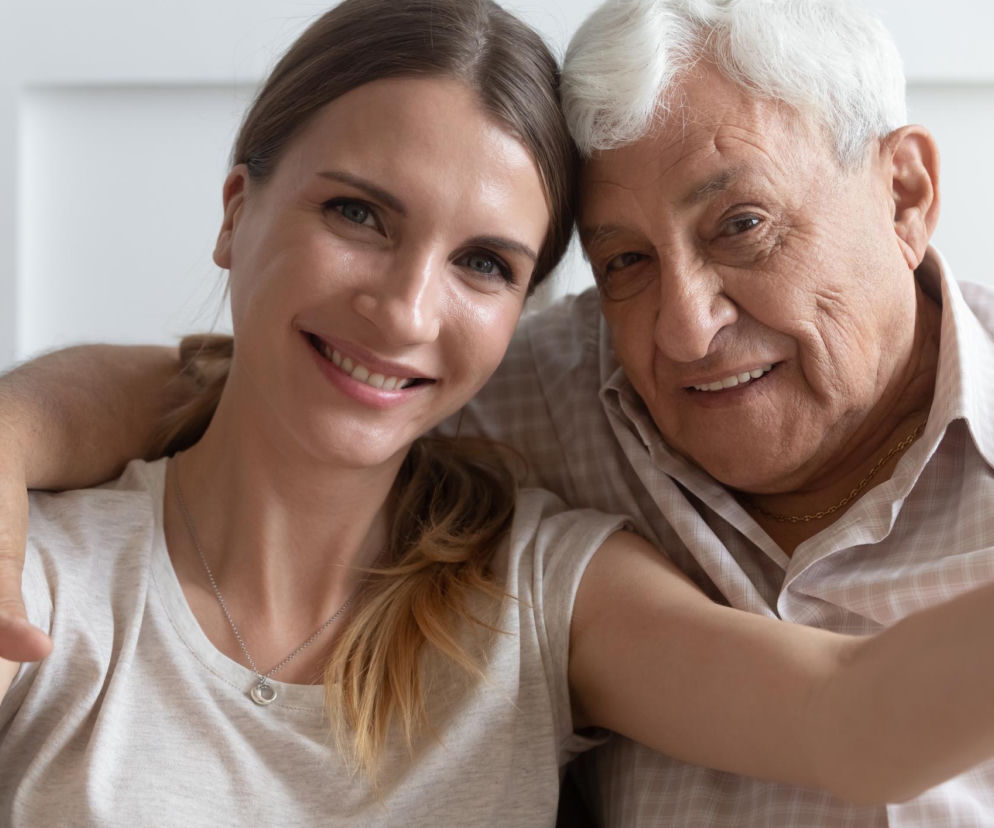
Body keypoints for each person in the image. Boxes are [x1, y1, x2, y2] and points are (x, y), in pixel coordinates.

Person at [1, 0, 994, 825]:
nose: (404, 312)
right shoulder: (50, 582)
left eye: (484, 263)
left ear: (904, 193)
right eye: (358, 213)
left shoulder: (537, 587)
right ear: (234, 209)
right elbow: (224, 383)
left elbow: (851, 720)